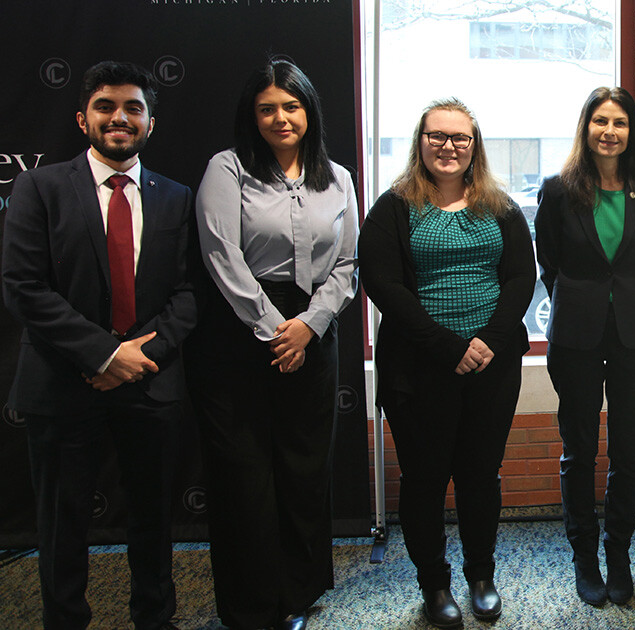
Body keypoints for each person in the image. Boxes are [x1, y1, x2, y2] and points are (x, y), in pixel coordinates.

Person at [2, 61, 196, 630]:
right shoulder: (38, 187)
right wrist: (105, 355)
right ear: (82, 117)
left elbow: (188, 295)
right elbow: (24, 288)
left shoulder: (176, 198)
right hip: (63, 384)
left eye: (134, 107)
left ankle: (154, 619)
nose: (119, 117)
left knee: (153, 521)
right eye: (106, 106)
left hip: (150, 383)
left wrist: (139, 358)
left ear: (151, 124)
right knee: (62, 526)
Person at [191, 59, 358, 630]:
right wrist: (273, 327)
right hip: (241, 335)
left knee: (303, 470)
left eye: (291, 106)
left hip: (314, 332)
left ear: (308, 112)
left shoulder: (337, 178)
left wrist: (309, 325)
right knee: (245, 476)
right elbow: (220, 254)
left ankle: (296, 594)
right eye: (267, 108)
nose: (280, 118)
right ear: (251, 115)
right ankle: (251, 606)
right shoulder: (228, 168)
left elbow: (348, 265)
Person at [359, 98, 535, 628]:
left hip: (491, 366)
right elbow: (383, 284)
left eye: (460, 137)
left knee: (481, 476)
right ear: (421, 141)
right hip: (418, 370)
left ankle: (481, 576)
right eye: (438, 136)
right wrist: (448, 347)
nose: (449, 146)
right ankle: (435, 585)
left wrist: (487, 342)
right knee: (424, 480)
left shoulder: (499, 206)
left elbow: (520, 279)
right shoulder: (393, 206)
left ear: (474, 146)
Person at [535, 87, 635, 607]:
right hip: (576, 335)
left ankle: (619, 554)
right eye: (600, 121)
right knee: (580, 450)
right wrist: (581, 299)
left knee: (627, 451)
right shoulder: (558, 189)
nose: (609, 131)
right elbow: (548, 260)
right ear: (585, 128)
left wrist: (623, 296)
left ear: (632, 130)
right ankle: (585, 556)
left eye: (619, 122)